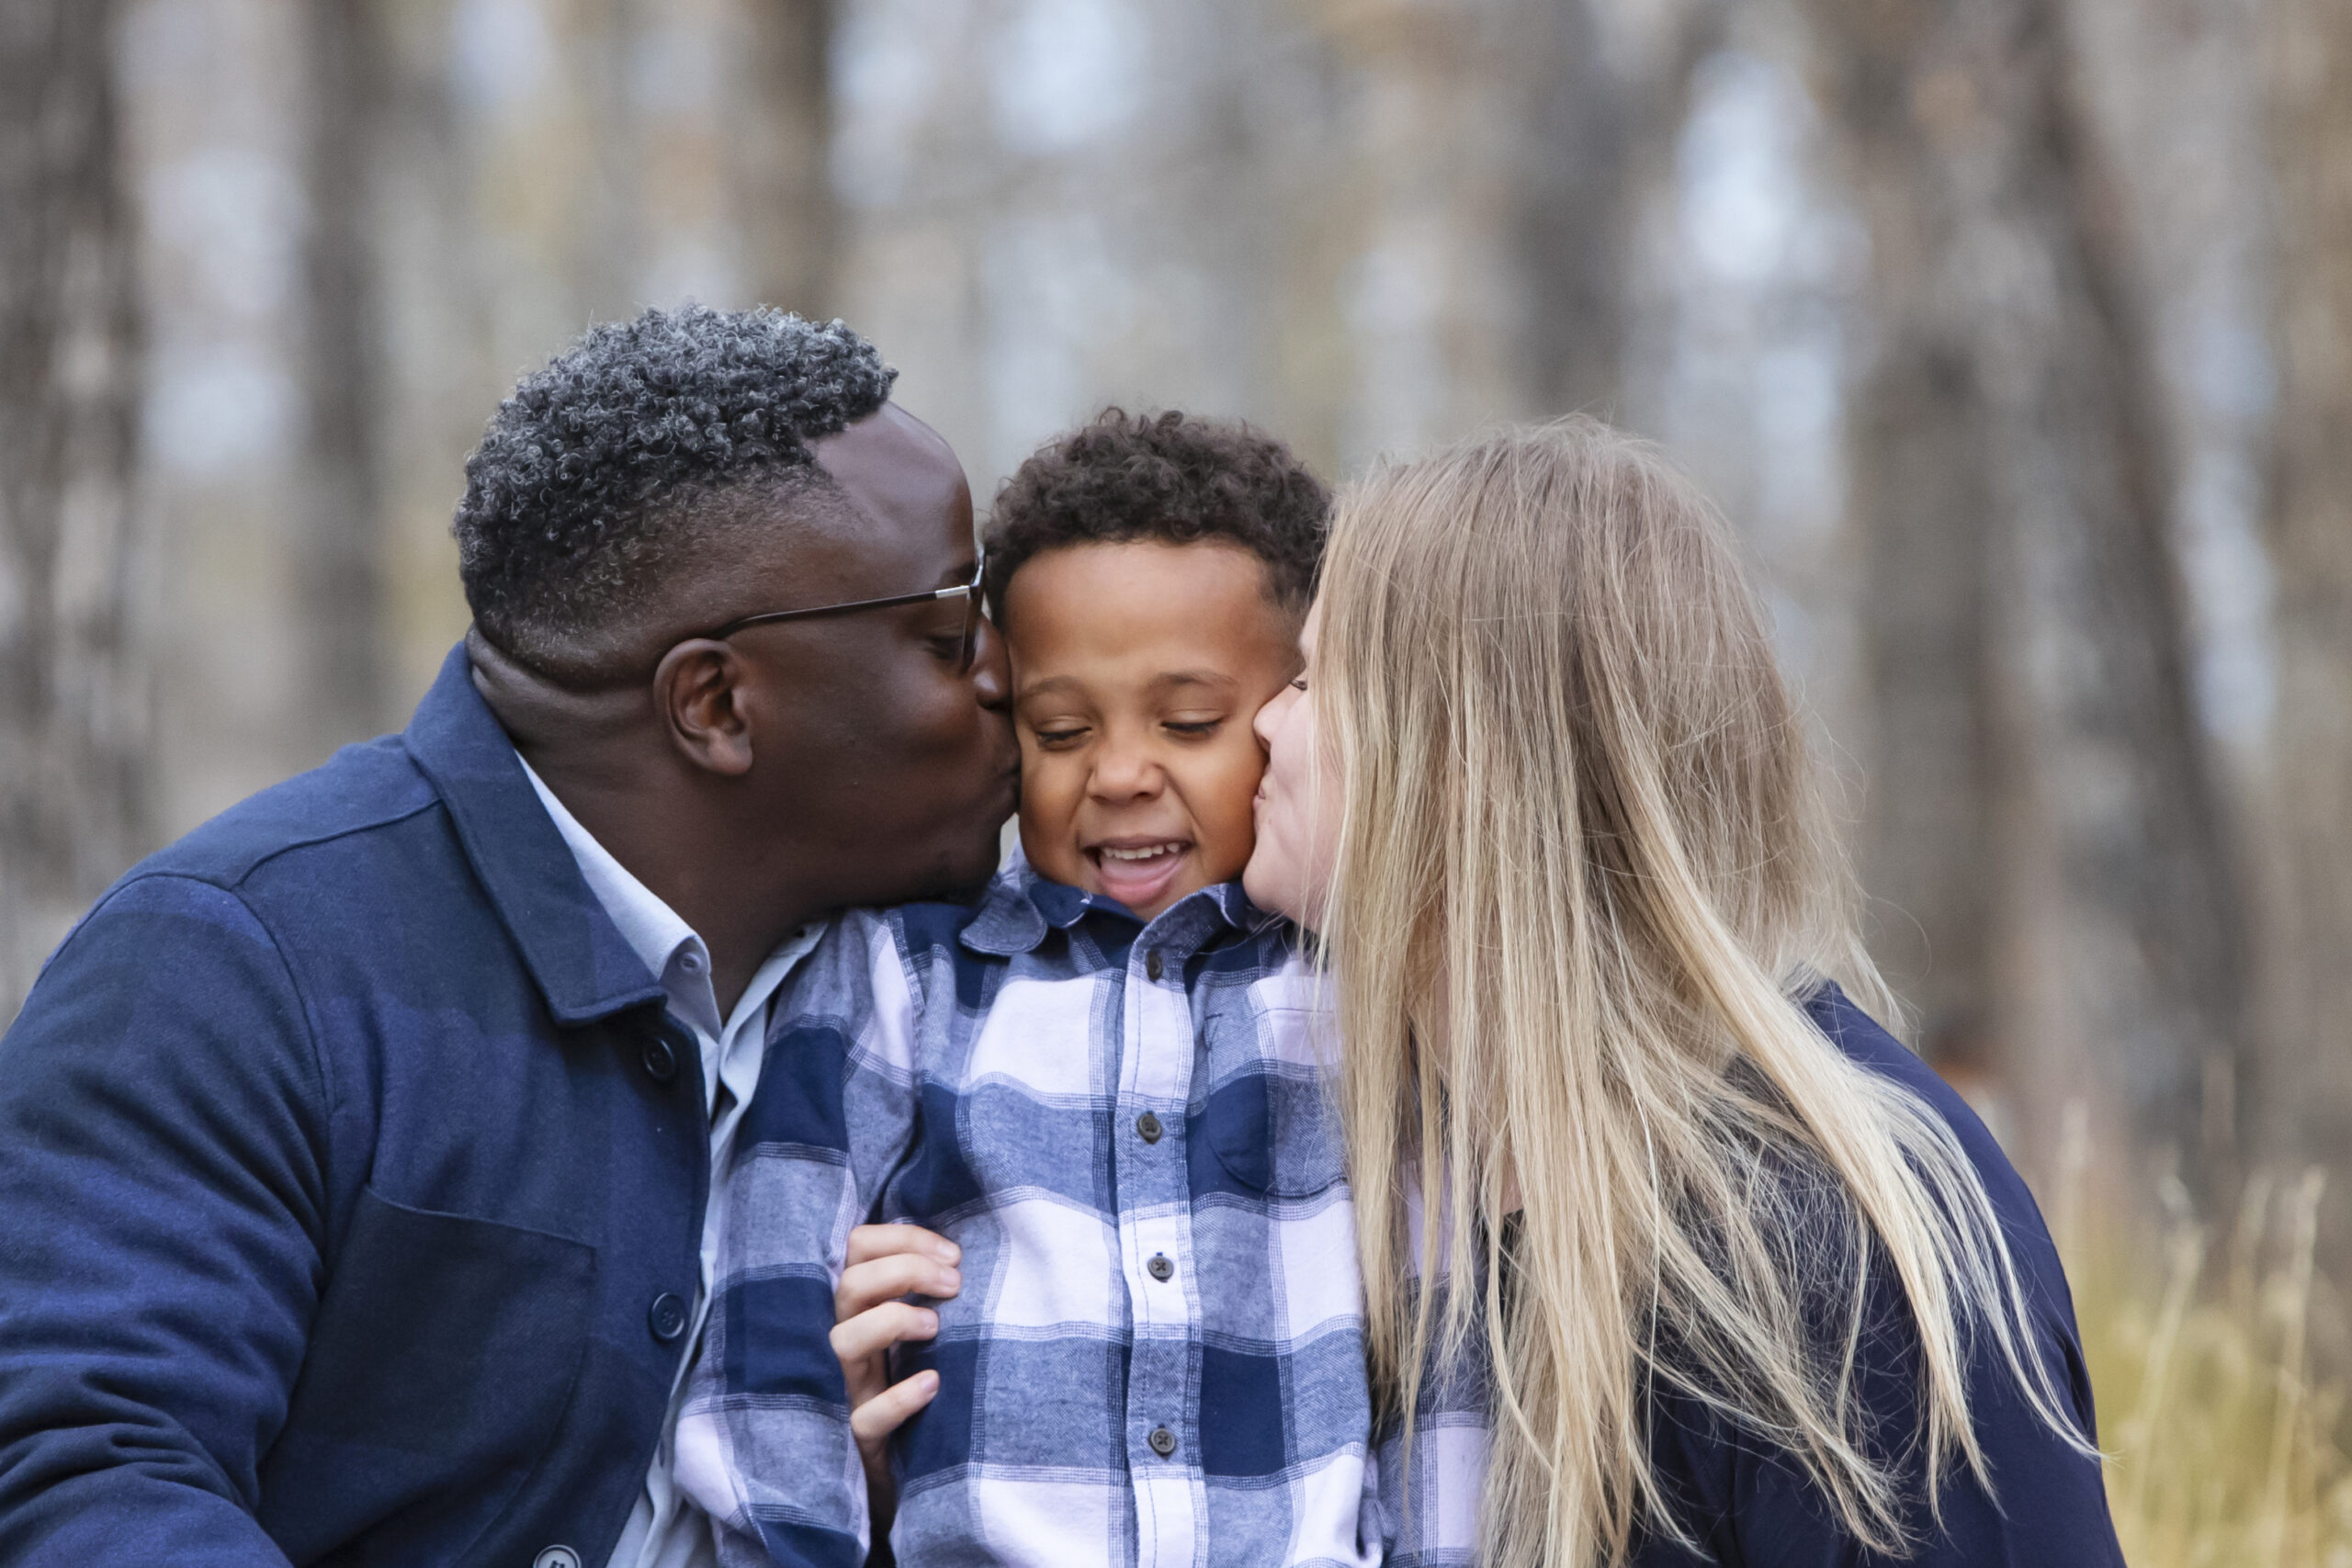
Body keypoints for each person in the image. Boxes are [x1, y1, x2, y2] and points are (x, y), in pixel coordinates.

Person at [0, 305, 1019, 1568]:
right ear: (715, 703)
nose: (1007, 676)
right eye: (948, 632)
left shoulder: (972, 981)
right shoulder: (236, 963)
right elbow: (76, 1465)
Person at [1240, 419, 2127, 1566]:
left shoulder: (1826, 1257)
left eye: (1312, 680)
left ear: (1461, 760)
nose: (1264, 721)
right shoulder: (1439, 1174)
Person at [676, 412, 1472, 1566]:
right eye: (1060, 731)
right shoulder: (901, 982)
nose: (1118, 774)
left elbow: (1452, 1392)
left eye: (1188, 723)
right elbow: (766, 1332)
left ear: (1299, 709)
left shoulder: (1363, 997)